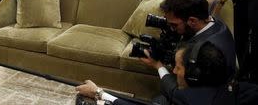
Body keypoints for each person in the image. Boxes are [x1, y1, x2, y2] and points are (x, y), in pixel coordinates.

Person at [76, 42, 237, 105]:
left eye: (178, 68)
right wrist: (158, 65)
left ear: (194, 74)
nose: (174, 71)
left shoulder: (192, 101)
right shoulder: (224, 90)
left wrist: (98, 93)